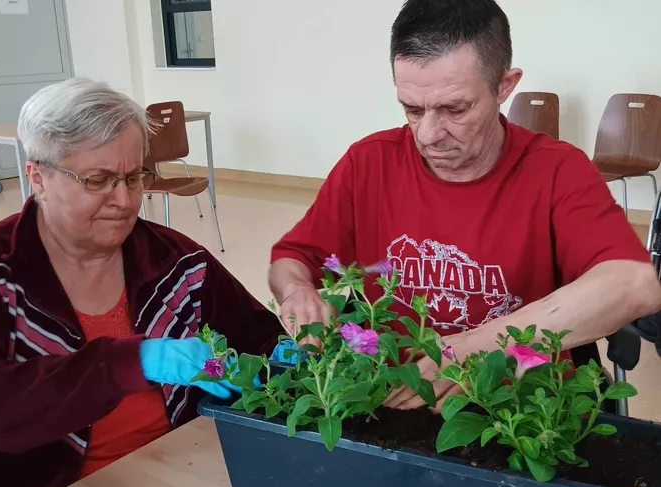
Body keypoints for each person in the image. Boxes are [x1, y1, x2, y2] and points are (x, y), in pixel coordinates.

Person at [0, 78, 286, 487]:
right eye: (98, 180)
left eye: (135, 177)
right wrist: (127, 364)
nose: (125, 199)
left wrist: (281, 355)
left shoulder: (176, 262)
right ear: (37, 178)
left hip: (186, 485)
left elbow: (253, 335)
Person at [269, 0, 661, 410]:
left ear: (504, 86)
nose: (427, 134)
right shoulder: (368, 162)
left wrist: (473, 348)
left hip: (522, 410)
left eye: (454, 109)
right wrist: (297, 291)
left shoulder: (556, 170)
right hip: (392, 397)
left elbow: (634, 285)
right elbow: (292, 258)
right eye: (412, 109)